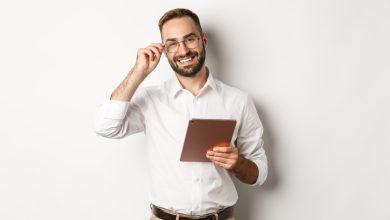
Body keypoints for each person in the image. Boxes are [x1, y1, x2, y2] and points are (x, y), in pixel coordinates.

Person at [94, 8, 268, 220]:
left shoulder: (238, 100)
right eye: (173, 43)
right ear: (164, 51)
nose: (183, 50)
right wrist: (138, 72)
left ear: (204, 40)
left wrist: (237, 162)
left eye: (190, 39)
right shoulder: (151, 99)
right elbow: (105, 127)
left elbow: (259, 173)